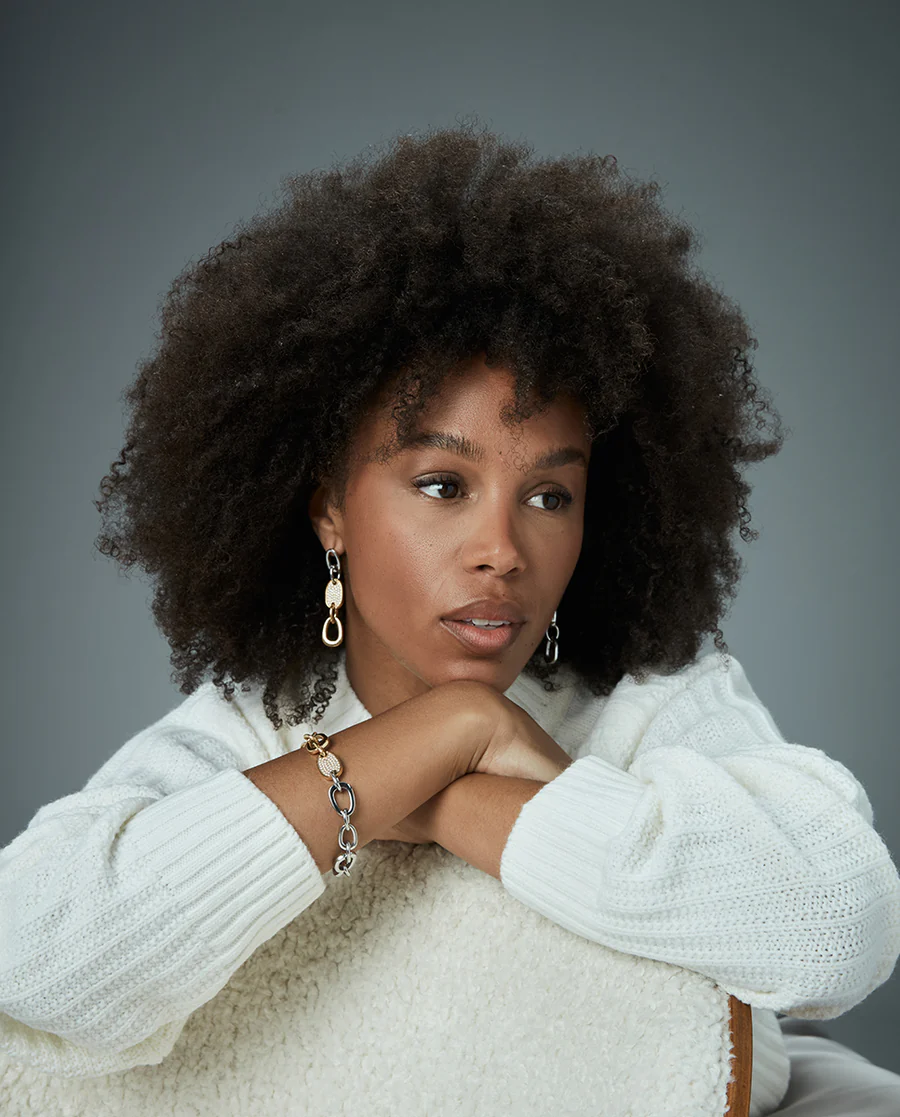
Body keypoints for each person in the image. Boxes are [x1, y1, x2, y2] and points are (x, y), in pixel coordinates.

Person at [1, 121, 898, 1116]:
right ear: (329, 505)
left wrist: (431, 796)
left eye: (549, 495)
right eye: (442, 484)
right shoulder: (255, 720)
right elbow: (35, 953)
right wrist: (448, 733)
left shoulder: (649, 697)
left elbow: (838, 926)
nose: (502, 549)